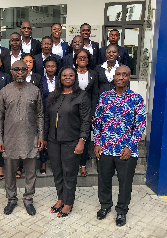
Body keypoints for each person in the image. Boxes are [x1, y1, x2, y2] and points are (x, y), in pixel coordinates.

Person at [93, 65, 146, 226]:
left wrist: (130, 147)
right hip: (106, 148)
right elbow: (97, 121)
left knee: (125, 183)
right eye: (118, 74)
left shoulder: (136, 99)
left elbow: (140, 125)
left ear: (129, 78)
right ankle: (105, 205)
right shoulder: (105, 97)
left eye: (125, 75)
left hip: (126, 150)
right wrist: (97, 142)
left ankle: (122, 211)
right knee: (104, 180)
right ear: (113, 77)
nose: (121, 77)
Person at [0, 60, 44, 216]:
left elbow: (40, 114)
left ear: (28, 71)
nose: (20, 72)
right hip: (10, 139)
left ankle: (28, 200)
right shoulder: (4, 91)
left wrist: (41, 136)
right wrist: (0, 139)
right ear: (11, 71)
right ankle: (11, 200)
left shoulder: (35, 91)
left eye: (23, 69)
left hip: (31, 139)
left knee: (31, 173)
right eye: (17, 69)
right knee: (9, 173)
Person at [44, 66, 91, 217]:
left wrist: (82, 141)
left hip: (71, 141)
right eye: (64, 75)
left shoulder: (81, 96)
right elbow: (46, 119)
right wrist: (44, 138)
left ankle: (68, 202)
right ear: (60, 78)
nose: (67, 77)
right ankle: (60, 198)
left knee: (69, 173)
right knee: (57, 172)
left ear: (75, 78)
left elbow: (85, 121)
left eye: (71, 75)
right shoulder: (53, 96)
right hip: (53, 141)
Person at [73, 49, 98, 177]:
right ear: (76, 60)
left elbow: (94, 94)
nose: (82, 59)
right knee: (73, 136)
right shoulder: (71, 73)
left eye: (85, 57)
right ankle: (73, 164)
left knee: (85, 137)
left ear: (88, 60)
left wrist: (93, 112)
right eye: (80, 57)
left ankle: (83, 165)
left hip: (87, 110)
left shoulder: (93, 74)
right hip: (73, 109)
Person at [40, 56, 59, 174]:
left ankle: (54, 161)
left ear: (56, 68)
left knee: (55, 136)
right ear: (44, 68)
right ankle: (43, 161)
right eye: (48, 66)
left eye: (53, 66)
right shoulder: (40, 80)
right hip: (43, 111)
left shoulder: (60, 79)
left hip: (58, 112)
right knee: (43, 136)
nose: (50, 68)